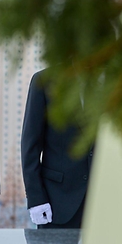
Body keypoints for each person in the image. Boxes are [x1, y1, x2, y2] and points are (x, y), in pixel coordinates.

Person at [20, 71, 93, 229]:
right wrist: (36, 199)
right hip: (58, 202)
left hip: (107, 202)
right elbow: (30, 146)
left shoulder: (116, 78)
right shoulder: (44, 81)